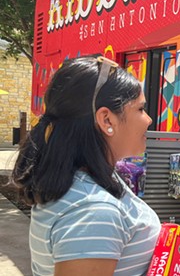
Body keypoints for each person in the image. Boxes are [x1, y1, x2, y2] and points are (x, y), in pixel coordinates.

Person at [10, 56, 160, 275]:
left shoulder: (92, 185)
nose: (148, 119)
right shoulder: (93, 211)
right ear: (107, 120)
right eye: (140, 109)